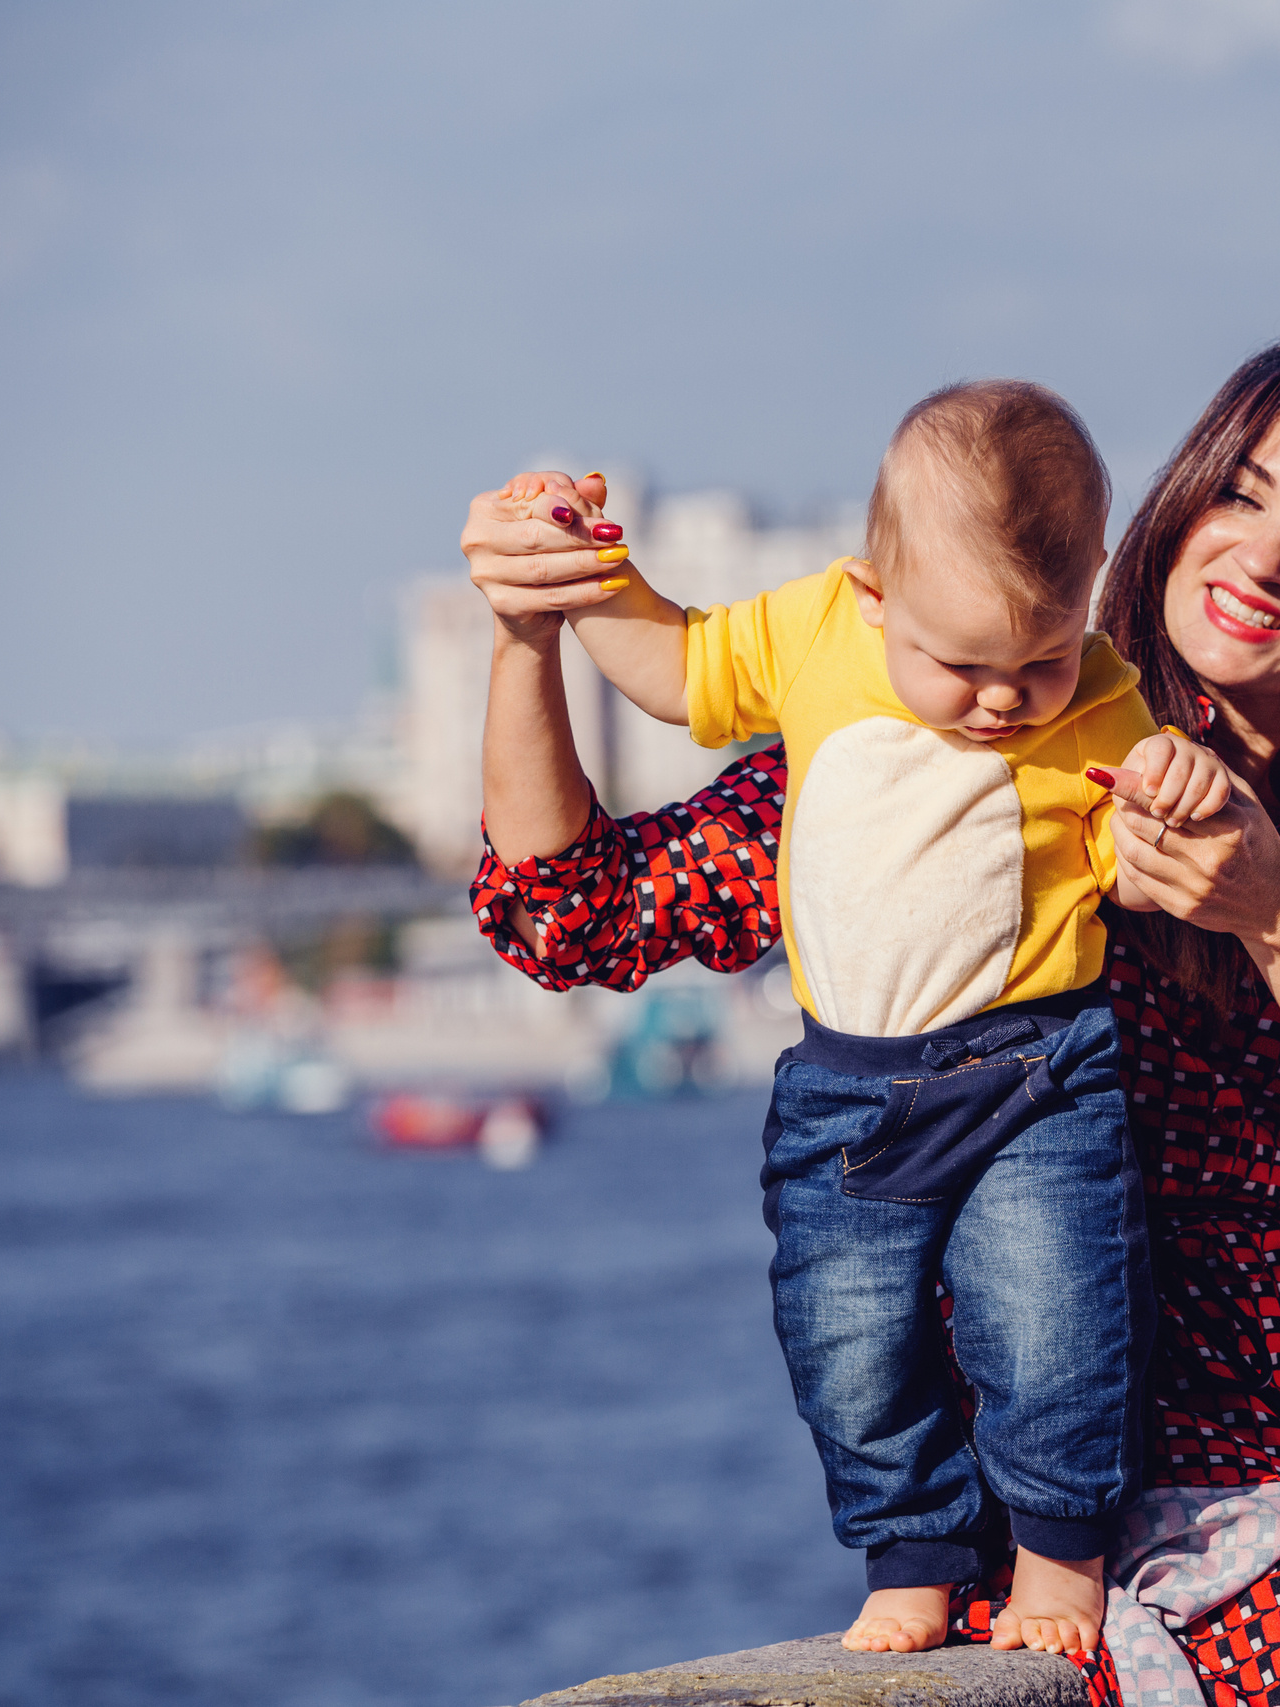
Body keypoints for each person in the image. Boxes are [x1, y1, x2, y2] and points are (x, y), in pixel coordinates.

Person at [461, 336, 1280, 1707]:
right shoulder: (965, 715)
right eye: (1240, 493)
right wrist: (523, 633)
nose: (1262, 557)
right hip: (1041, 1506)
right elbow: (578, 915)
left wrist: (1279, 911)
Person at [474, 380, 1234, 1659]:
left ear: (1091, 597)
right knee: (842, 1333)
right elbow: (671, 667)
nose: (1003, 701)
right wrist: (578, 577)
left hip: (1033, 1074)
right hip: (847, 1083)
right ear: (873, 593)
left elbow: (1144, 847)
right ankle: (913, 1552)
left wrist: (1176, 794)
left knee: (1057, 1315)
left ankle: (1059, 1557)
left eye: (1038, 660)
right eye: (961, 665)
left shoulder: (1105, 697)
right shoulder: (812, 632)